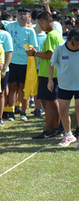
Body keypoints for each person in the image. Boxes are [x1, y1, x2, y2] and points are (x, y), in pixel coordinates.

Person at [29, 11, 64, 139]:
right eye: (38, 23)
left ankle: (49, 131)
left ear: (50, 21)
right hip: (55, 73)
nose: (40, 25)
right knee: (54, 102)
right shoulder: (57, 34)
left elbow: (50, 55)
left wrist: (34, 54)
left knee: (47, 103)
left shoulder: (51, 35)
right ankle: (57, 128)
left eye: (42, 22)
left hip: (48, 74)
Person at [5, 6, 38, 121]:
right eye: (20, 13)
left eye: (25, 14)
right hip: (12, 62)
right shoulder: (10, 26)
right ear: (17, 15)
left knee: (24, 89)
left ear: (29, 17)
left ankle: (23, 112)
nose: (22, 16)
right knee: (12, 88)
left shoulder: (30, 31)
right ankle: (11, 111)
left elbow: (34, 48)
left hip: (25, 63)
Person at [49, 28, 79, 147]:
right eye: (74, 44)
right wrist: (50, 80)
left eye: (78, 44)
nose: (75, 46)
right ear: (68, 40)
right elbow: (52, 64)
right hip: (64, 85)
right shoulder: (60, 48)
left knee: (78, 108)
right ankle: (68, 135)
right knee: (63, 110)